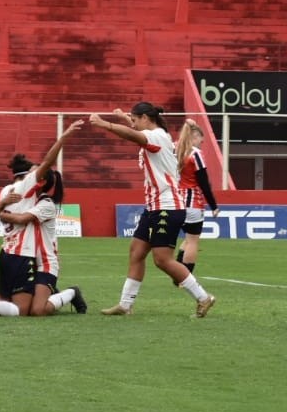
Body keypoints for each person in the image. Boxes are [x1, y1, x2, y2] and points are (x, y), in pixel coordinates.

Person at [0, 122, 88, 317]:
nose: (33, 172)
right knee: (22, 310)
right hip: (22, 255)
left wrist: (2, 208)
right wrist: (63, 138)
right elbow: (22, 216)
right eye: (32, 171)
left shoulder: (12, 192)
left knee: (5, 301)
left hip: (9, 252)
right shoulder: (28, 190)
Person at [89, 102, 216, 317]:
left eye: (136, 119)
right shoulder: (158, 133)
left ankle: (204, 298)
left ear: (146, 119)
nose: (134, 123)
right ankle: (126, 305)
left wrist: (105, 124)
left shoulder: (156, 137)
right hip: (155, 206)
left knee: (162, 260)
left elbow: (134, 135)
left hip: (168, 207)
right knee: (136, 252)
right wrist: (124, 117)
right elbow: (136, 129)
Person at [174, 119, 219, 277]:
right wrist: (214, 206)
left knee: (187, 237)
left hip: (174, 201)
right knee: (193, 240)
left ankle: (177, 271)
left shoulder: (175, 149)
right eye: (201, 138)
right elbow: (204, 183)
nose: (202, 142)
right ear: (194, 137)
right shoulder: (195, 154)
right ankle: (185, 278)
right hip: (192, 202)